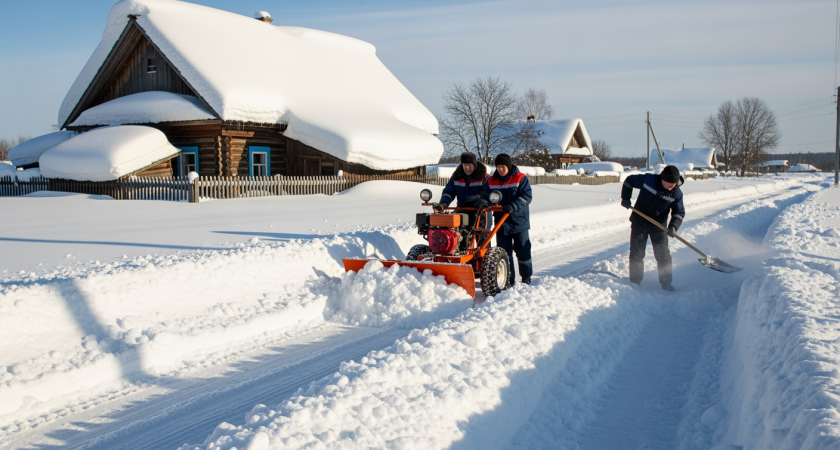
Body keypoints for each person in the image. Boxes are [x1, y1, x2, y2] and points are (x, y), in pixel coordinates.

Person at [620, 165, 685, 291]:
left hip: (659, 226)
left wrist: (673, 227)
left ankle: (666, 284)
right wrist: (626, 198)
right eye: (670, 183)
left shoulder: (676, 193)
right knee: (637, 253)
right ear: (662, 179)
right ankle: (635, 282)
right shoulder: (648, 180)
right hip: (639, 222)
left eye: (675, 183)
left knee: (663, 255)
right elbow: (629, 181)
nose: (673, 186)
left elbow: (679, 212)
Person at [482, 153, 533, 285]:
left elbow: (527, 196)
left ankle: (526, 277)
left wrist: (513, 206)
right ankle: (509, 279)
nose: (500, 169)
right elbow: (486, 195)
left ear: (509, 166)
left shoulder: (520, 178)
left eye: (503, 166)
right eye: (498, 167)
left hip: (518, 221)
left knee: (523, 250)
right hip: (501, 222)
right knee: (504, 253)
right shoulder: (491, 180)